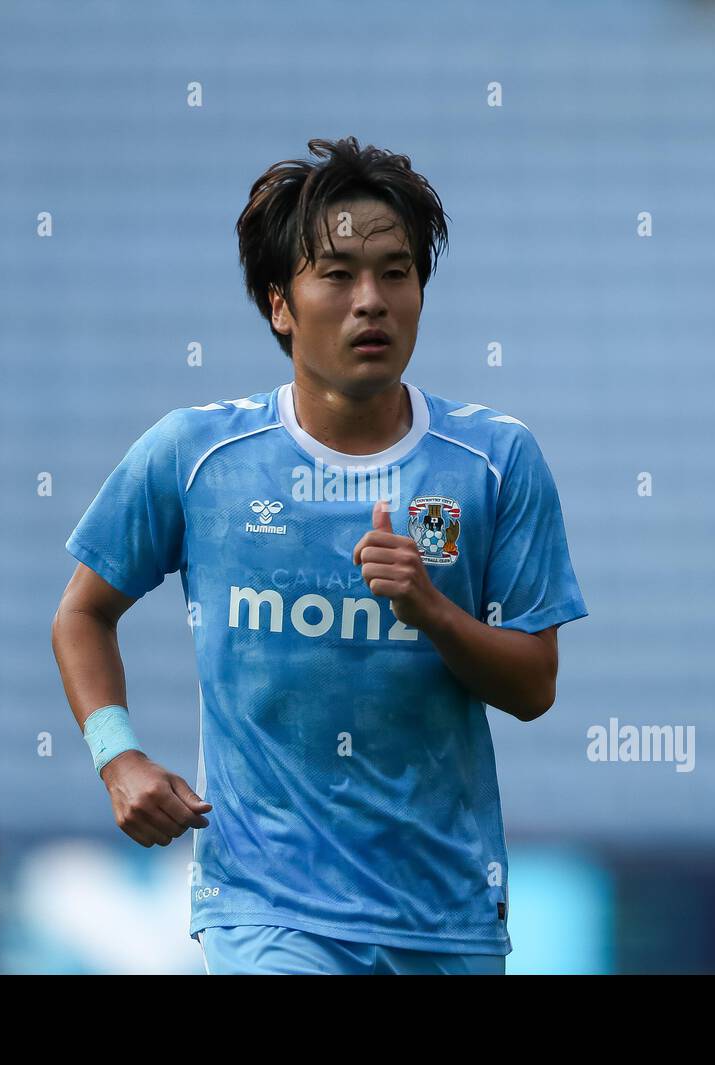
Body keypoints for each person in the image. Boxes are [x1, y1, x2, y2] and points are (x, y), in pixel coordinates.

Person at [51, 136, 588, 975]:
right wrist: (116, 754)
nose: (370, 301)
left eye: (395, 272)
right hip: (266, 908)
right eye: (337, 275)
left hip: (444, 911)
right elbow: (83, 613)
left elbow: (535, 686)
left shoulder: (493, 460)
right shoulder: (197, 454)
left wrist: (434, 612)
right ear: (280, 304)